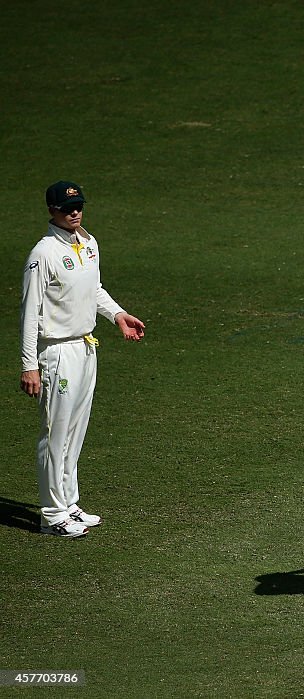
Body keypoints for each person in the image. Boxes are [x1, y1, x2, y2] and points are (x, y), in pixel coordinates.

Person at [20, 181, 146, 538]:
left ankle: (69, 503)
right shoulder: (42, 255)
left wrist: (117, 314)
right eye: (66, 208)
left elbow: (94, 289)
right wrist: (29, 365)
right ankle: (51, 514)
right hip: (56, 351)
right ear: (51, 211)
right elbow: (30, 314)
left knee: (75, 431)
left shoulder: (89, 244)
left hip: (85, 346)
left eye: (78, 206)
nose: (74, 212)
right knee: (55, 432)